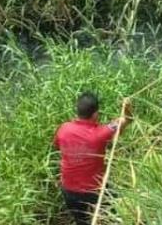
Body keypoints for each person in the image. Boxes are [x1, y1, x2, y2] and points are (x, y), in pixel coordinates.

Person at [54, 92, 131, 225]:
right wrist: (127, 107)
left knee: (81, 221)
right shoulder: (101, 133)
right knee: (116, 212)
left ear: (77, 111)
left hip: (69, 189)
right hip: (95, 189)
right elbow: (126, 119)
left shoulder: (63, 129)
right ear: (95, 114)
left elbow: (56, 145)